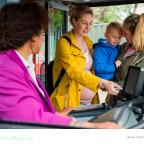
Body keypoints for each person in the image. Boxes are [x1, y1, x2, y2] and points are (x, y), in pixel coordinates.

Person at [0, 2, 121, 129]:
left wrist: (54, 115)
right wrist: (89, 127)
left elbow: (31, 107)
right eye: (43, 33)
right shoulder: (5, 69)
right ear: (34, 36)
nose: (43, 38)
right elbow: (28, 118)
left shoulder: (19, 64)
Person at [50, 5, 122, 110]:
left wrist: (106, 83)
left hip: (90, 102)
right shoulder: (64, 43)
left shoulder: (88, 41)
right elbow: (74, 71)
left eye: (91, 23)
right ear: (74, 21)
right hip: (69, 102)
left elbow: (92, 69)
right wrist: (101, 82)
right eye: (84, 23)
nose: (88, 27)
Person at [106, 13, 144, 105]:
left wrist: (108, 84)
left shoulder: (142, 55)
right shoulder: (124, 47)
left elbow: (134, 83)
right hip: (113, 100)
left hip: (129, 104)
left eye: (125, 33)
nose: (122, 35)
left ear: (135, 34)